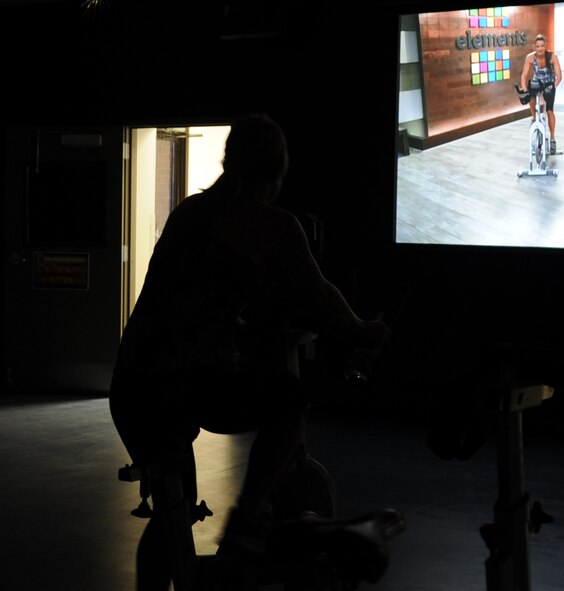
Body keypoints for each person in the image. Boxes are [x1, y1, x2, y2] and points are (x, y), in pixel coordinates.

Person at [109, 113, 390, 557]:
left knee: (170, 512)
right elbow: (321, 297)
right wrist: (365, 330)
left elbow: (188, 300)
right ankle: (249, 515)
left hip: (131, 388)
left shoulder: (190, 211)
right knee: (292, 399)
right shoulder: (273, 224)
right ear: (278, 173)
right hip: (189, 383)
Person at [518, 34, 563, 154]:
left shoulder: (552, 57)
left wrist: (554, 86)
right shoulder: (530, 58)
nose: (540, 49)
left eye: (542, 46)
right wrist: (524, 89)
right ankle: (534, 118)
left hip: (549, 83)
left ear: (545, 46)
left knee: (549, 111)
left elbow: (559, 76)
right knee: (530, 96)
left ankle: (553, 138)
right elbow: (524, 75)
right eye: (538, 46)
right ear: (534, 47)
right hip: (537, 82)